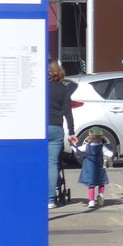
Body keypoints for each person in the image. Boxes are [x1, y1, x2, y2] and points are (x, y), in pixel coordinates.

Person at [47, 61, 78, 210]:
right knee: (52, 163)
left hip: (38, 130)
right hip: (56, 129)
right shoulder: (63, 89)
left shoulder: (37, 88)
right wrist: (71, 133)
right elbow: (68, 113)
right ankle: (50, 199)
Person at [75, 130, 113, 209]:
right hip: (99, 168)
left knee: (91, 185)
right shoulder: (102, 146)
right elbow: (110, 154)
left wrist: (73, 145)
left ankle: (91, 201)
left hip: (89, 169)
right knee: (101, 183)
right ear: (101, 138)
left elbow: (77, 150)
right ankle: (100, 194)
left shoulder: (86, 146)